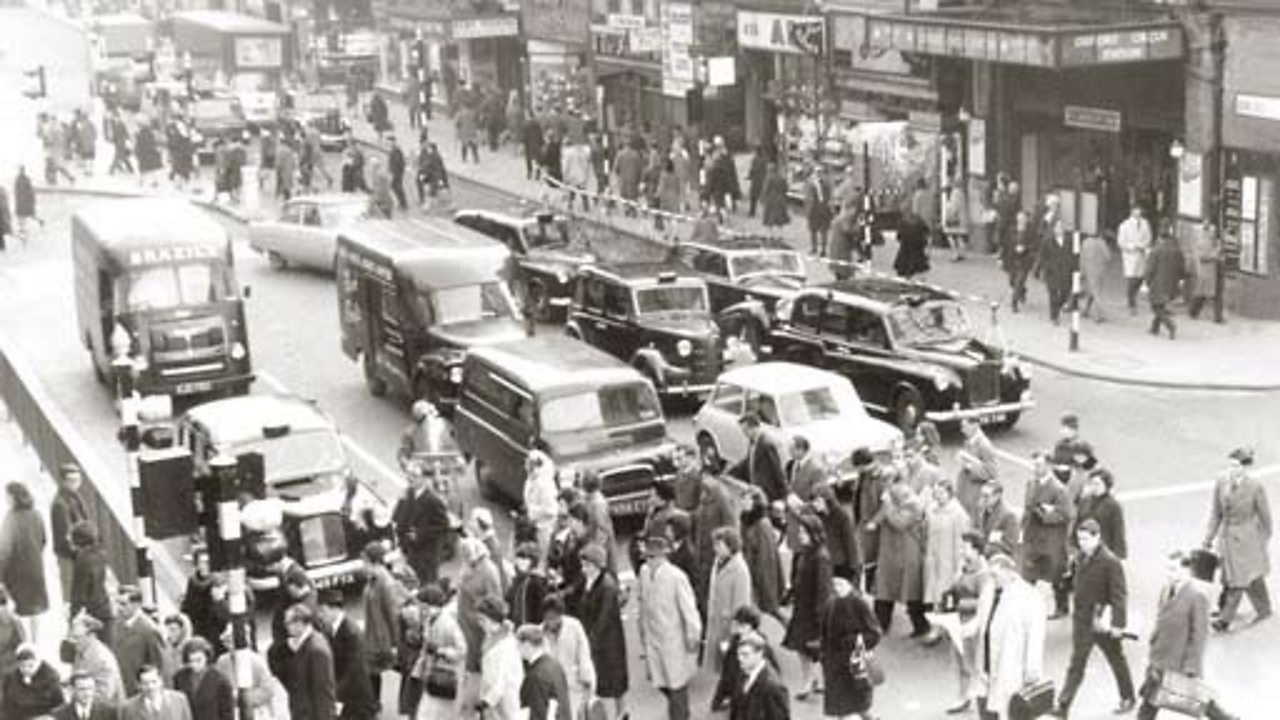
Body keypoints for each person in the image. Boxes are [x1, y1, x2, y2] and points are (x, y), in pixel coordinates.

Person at [1135, 552, 1239, 720]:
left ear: (1187, 570)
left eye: (1173, 569)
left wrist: (1192, 666)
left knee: (1197, 699)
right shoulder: (1166, 589)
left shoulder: (1197, 596)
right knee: (1149, 703)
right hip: (1159, 657)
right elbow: (1160, 618)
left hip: (1178, 660)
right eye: (1167, 569)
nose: (1169, 574)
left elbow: (1199, 635)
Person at [1053, 519, 1137, 717]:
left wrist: (1118, 624)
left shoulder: (1110, 562)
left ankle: (1128, 697)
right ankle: (1063, 705)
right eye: (1080, 539)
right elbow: (1077, 584)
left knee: (1116, 659)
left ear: (1097, 537)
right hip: (1082, 620)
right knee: (1077, 663)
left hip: (1101, 621)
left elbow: (1119, 595)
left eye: (1086, 539)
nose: (1082, 543)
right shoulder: (1080, 558)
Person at [969, 550, 1046, 720]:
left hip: (1012, 671)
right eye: (990, 575)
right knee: (987, 712)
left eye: (995, 575)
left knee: (1009, 713)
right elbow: (982, 620)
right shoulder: (990, 591)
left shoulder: (1029, 597)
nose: (992, 580)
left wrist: (1032, 670)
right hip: (986, 669)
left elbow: (1035, 637)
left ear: (1009, 571)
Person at [1203, 447, 1273, 632]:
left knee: (1239, 580)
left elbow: (1266, 519)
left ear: (1245, 467)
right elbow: (1215, 513)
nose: (1232, 470)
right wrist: (1208, 538)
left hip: (1246, 539)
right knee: (1237, 576)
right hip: (1226, 538)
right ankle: (1264, 608)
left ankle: (1224, 619)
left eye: (1236, 466)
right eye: (1230, 465)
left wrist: (1260, 542)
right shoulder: (1221, 481)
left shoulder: (1255, 487)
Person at [637, 534, 702, 720]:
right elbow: (642, 601)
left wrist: (693, 637)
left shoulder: (676, 577)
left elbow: (690, 610)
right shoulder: (643, 573)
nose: (649, 561)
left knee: (676, 685)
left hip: (674, 640)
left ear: (663, 557)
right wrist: (641, 631)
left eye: (653, 557)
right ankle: (682, 710)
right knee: (660, 682)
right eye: (647, 557)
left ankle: (680, 714)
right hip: (653, 638)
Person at [821, 565, 880, 720]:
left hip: (854, 663)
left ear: (850, 584)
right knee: (844, 707)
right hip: (834, 664)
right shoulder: (831, 603)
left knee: (852, 705)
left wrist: (853, 641)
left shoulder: (859, 604)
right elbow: (825, 632)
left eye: (840, 584)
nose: (836, 588)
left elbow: (874, 634)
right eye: (834, 584)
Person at [783, 513, 832, 700]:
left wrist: (820, 618)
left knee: (808, 648)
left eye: (804, 531)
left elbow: (823, 590)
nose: (800, 534)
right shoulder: (809, 552)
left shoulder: (819, 557)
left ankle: (810, 682)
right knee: (805, 648)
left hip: (811, 611)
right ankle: (814, 680)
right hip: (804, 608)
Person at [578, 543, 629, 720]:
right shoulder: (590, 580)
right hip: (599, 638)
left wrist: (590, 640)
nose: (583, 569)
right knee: (605, 678)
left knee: (613, 680)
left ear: (597, 565)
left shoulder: (607, 586)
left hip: (609, 641)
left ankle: (621, 712)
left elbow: (604, 618)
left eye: (587, 565)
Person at [873, 480, 929, 637]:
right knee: (884, 592)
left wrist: (888, 506)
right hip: (892, 555)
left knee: (911, 594)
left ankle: (921, 625)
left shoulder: (914, 507)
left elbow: (900, 523)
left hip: (907, 555)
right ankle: (880, 623)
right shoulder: (901, 505)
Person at [1023, 451, 1074, 619]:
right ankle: (1026, 606)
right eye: (1034, 465)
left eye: (1039, 465)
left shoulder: (1059, 490)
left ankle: (1062, 606)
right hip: (1033, 536)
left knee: (1055, 574)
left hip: (1052, 539)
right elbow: (1027, 508)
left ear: (1049, 466)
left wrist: (1046, 514)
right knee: (1029, 573)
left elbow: (1066, 515)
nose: (1035, 468)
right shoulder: (1031, 483)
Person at [316, 589, 378, 720]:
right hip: (345, 695)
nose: (320, 615)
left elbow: (354, 670)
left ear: (333, 609)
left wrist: (334, 694)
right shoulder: (329, 629)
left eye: (322, 610)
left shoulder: (351, 632)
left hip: (357, 698)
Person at [360, 542, 408, 702]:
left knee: (374, 669)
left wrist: (395, 643)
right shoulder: (373, 578)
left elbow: (392, 614)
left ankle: (374, 704)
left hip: (381, 638)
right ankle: (374, 703)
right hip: (374, 635)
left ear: (370, 559)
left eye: (364, 560)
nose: (363, 564)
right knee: (371, 671)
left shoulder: (384, 581)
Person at [0, 483, 48, 638]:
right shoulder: (36, 514)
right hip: (35, 567)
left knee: (15, 608)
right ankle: (35, 642)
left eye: (7, 496)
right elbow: (43, 539)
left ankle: (21, 640)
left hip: (16, 571)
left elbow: (5, 549)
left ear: (14, 497)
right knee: (35, 610)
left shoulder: (11, 519)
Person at [703, 527, 753, 673]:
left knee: (732, 666)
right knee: (721, 667)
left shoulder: (740, 570)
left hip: (730, 626)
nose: (715, 549)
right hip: (717, 621)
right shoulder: (718, 562)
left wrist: (736, 629)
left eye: (719, 545)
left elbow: (742, 603)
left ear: (731, 546)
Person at [413, 583, 465, 719]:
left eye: (423, 606)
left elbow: (462, 651)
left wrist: (440, 651)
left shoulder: (449, 624)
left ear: (433, 606)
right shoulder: (429, 621)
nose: (421, 610)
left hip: (444, 678)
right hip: (432, 677)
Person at [393, 466, 451, 586]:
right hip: (411, 551)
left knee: (428, 586)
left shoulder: (433, 500)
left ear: (423, 479)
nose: (410, 479)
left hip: (427, 554)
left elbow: (444, 526)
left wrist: (420, 534)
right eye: (409, 475)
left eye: (414, 476)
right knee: (412, 585)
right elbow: (398, 518)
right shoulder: (408, 494)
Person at [280, 603, 336, 720]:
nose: (286, 627)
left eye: (288, 623)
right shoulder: (304, 643)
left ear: (300, 623)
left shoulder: (316, 650)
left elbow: (322, 693)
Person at [540, 596, 594, 719]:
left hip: (573, 685)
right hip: (550, 690)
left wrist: (587, 678)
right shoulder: (539, 633)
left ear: (560, 615)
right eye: (547, 618)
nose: (550, 622)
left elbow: (583, 654)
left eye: (554, 618)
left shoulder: (574, 626)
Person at [457, 537, 504, 678]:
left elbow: (495, 599)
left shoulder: (489, 571)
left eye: (467, 553)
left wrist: (479, 611)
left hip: (476, 622)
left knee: (474, 655)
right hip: (464, 617)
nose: (464, 557)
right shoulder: (470, 566)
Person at [924, 480, 972, 614]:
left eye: (941, 493)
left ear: (950, 494)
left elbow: (962, 541)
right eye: (936, 493)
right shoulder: (931, 510)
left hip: (948, 561)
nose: (938, 496)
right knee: (932, 594)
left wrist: (959, 566)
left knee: (945, 597)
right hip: (933, 559)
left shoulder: (958, 514)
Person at [475, 596, 523, 720]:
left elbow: (501, 680)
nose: (479, 624)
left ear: (494, 620)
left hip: (506, 702)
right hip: (493, 702)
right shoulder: (491, 638)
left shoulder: (506, 645)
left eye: (482, 620)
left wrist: (485, 702)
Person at [114, 585, 166, 697]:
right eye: (117, 603)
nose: (119, 608)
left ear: (136, 605)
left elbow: (157, 665)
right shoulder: (117, 623)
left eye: (123, 604)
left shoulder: (149, 630)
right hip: (119, 689)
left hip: (138, 693)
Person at [742, 488, 785, 620]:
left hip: (760, 580)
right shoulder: (747, 520)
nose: (743, 502)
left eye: (746, 499)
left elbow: (766, 561)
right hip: (751, 574)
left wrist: (765, 589)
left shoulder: (762, 525)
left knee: (770, 615)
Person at [730, 630, 791, 720]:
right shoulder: (744, 672)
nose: (740, 659)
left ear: (760, 653)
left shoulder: (772, 686)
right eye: (738, 654)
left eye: (745, 655)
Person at [51, 463, 90, 600]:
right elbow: (66, 534)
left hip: (77, 553)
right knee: (71, 592)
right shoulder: (60, 504)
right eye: (71, 481)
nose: (76, 484)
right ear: (63, 481)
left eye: (78, 480)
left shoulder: (74, 497)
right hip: (69, 555)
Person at [70, 521, 114, 643]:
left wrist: (73, 618)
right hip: (104, 606)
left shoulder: (82, 561)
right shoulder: (100, 554)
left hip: (92, 612)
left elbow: (78, 593)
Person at [171, 638, 233, 720]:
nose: (194, 665)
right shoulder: (179, 677)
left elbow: (227, 713)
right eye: (191, 661)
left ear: (207, 657)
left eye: (198, 660)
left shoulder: (221, 680)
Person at [731, 412, 787, 503]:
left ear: (754, 428)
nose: (744, 434)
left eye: (745, 430)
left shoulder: (767, 444)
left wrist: (783, 496)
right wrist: (731, 472)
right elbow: (749, 460)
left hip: (767, 493)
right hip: (755, 489)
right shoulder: (751, 441)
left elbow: (777, 470)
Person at [1075, 468, 1127, 560]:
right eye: (1092, 483)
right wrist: (1073, 546)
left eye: (1097, 484)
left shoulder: (1113, 506)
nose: (1094, 487)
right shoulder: (1084, 502)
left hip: (1104, 551)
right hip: (1084, 551)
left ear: (1106, 485)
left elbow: (1118, 532)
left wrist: (1118, 555)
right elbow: (1077, 523)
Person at [70, 614, 123, 704]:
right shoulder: (81, 651)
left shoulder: (103, 660)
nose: (73, 642)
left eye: (77, 637)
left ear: (92, 636)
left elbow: (104, 696)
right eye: (72, 637)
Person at [3, 644, 63, 719]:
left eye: (31, 666)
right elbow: (6, 705)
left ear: (38, 663)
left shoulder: (50, 678)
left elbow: (60, 706)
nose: (26, 670)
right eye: (22, 666)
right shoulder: (11, 678)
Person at [955, 419, 999, 522]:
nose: (962, 430)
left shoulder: (984, 445)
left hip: (974, 497)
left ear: (975, 425)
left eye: (964, 426)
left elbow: (992, 472)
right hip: (965, 494)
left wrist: (969, 466)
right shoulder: (969, 441)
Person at [1145, 232, 1186, 339]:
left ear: (1160, 238)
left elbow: (1150, 269)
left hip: (1158, 283)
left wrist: (1148, 281)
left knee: (1156, 307)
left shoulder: (1155, 251)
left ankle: (1170, 326)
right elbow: (1182, 269)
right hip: (1172, 284)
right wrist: (1179, 281)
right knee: (1161, 306)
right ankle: (1155, 328)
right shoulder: (1178, 251)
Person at [524, 450, 561, 564]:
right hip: (535, 526)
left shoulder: (545, 484)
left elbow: (552, 510)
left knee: (542, 559)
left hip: (545, 528)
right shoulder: (531, 479)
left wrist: (532, 511)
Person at [1037, 218, 1075, 325]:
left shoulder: (1070, 240)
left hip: (1065, 272)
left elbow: (1074, 255)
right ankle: (1054, 316)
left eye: (1062, 226)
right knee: (1053, 294)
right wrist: (1043, 269)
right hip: (1052, 272)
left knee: (1065, 293)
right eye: (1058, 226)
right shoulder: (1047, 241)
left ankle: (1057, 307)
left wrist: (1073, 267)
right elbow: (1042, 256)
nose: (1060, 229)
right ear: (1053, 229)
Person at [120, 664, 191, 720]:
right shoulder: (129, 708)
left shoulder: (179, 700)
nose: (150, 687)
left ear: (161, 681)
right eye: (145, 683)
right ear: (138, 685)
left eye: (154, 682)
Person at [1117, 206, 1152, 315]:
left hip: (1141, 254)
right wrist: (1132, 247)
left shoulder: (1145, 223)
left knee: (1140, 278)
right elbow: (1121, 242)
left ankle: (1133, 296)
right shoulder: (1124, 225)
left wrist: (1143, 245)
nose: (1138, 214)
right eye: (1135, 212)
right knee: (1131, 279)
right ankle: (1131, 303)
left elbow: (1149, 237)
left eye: (1139, 212)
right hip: (1130, 256)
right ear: (1131, 212)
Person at [1189, 222, 1224, 322]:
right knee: (1202, 293)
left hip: (1214, 270)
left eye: (1213, 230)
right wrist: (1215, 254)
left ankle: (1217, 317)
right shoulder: (1201, 242)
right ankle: (1193, 311)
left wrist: (1218, 250)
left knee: (1212, 293)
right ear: (1206, 231)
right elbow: (1202, 257)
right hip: (1206, 271)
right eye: (1211, 230)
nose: (1212, 232)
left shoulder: (1213, 241)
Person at [976, 482, 1022, 560]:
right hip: (987, 558)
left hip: (1002, 562)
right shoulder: (985, 510)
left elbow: (1010, 546)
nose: (982, 499)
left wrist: (985, 549)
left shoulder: (1009, 515)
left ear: (997, 496)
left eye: (986, 496)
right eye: (981, 495)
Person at [1003, 210, 1037, 312]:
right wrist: (1001, 258)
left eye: (1023, 219)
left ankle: (1014, 303)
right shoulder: (1011, 229)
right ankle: (1023, 291)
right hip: (1012, 260)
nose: (1021, 221)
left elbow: (1035, 245)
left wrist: (1025, 248)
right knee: (1012, 282)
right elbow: (1006, 245)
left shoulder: (1031, 231)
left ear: (1026, 220)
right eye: (1019, 219)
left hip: (1024, 261)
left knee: (1019, 281)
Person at [51, 670, 117, 720]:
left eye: (90, 688)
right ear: (72, 690)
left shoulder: (109, 712)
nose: (87, 693)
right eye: (82, 689)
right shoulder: (59, 715)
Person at [805, 166, 834, 256]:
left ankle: (823, 250)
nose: (819, 174)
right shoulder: (811, 183)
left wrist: (830, 209)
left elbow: (830, 197)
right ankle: (814, 248)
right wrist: (807, 210)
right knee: (813, 230)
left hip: (824, 209)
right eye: (817, 173)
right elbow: (808, 198)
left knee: (823, 231)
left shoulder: (827, 184)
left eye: (820, 172)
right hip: (814, 209)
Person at [895, 209, 931, 278]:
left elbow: (899, 237)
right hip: (918, 244)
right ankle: (917, 268)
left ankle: (904, 269)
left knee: (904, 252)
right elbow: (927, 232)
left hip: (906, 245)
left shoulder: (901, 222)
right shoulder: (920, 221)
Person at [159, 613, 192, 685]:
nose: (170, 634)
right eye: (167, 630)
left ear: (183, 630)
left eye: (173, 630)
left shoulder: (191, 649)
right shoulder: (163, 649)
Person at [760, 163, 790, 235]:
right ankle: (780, 234)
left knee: (770, 218)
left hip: (771, 200)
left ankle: (770, 234)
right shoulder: (781, 178)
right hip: (780, 199)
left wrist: (762, 198)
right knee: (780, 218)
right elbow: (786, 189)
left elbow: (765, 189)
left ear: (769, 170)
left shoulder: (768, 178)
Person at [12, 166, 40, 241]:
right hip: (21, 201)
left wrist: (32, 199)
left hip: (23, 201)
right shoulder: (20, 179)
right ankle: (23, 228)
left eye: (22, 170)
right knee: (24, 215)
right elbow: (17, 191)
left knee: (24, 215)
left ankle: (24, 228)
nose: (21, 172)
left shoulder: (22, 179)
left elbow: (29, 190)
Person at [746, 145, 770, 218]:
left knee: (753, 196)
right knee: (762, 196)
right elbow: (766, 170)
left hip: (755, 179)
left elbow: (752, 169)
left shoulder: (755, 159)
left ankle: (752, 212)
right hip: (762, 179)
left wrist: (749, 176)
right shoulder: (765, 159)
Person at [388, 136, 408, 211]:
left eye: (389, 141)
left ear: (393, 142)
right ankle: (402, 203)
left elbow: (398, 163)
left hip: (397, 173)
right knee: (396, 187)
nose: (388, 143)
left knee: (397, 187)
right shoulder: (394, 150)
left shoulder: (396, 150)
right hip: (396, 172)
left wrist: (394, 173)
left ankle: (403, 204)